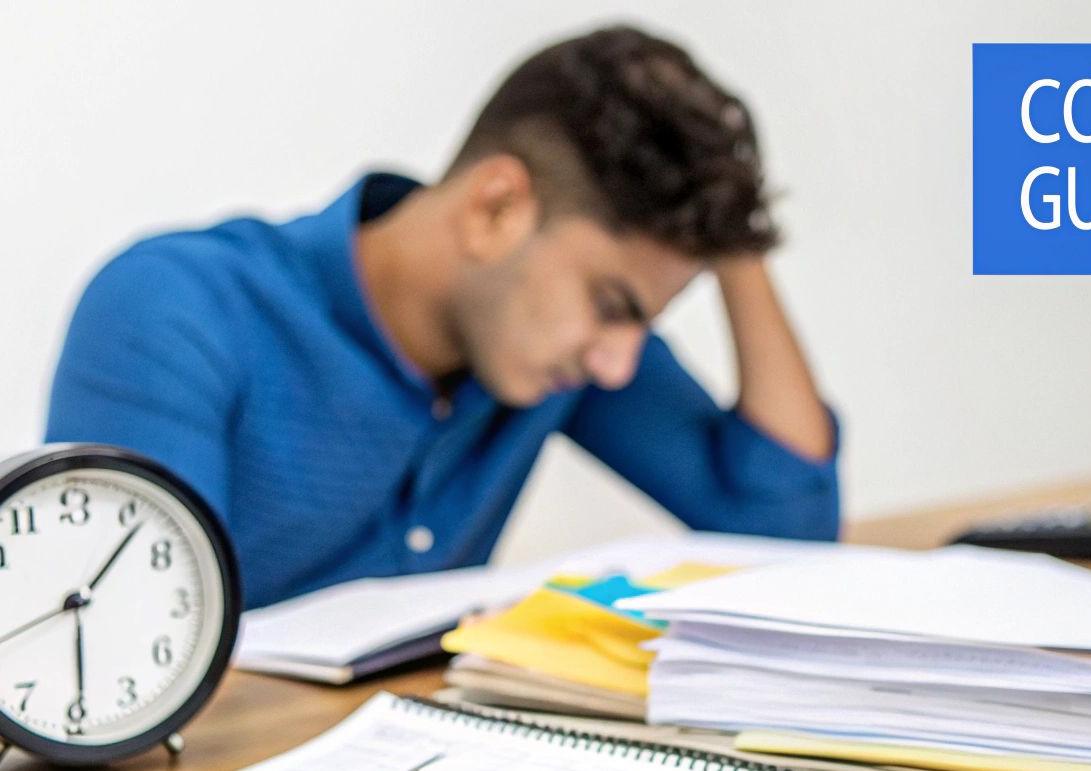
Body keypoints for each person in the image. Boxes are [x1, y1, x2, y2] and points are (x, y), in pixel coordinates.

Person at [46, 25, 838, 609]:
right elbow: (131, 638)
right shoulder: (176, 310)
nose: (619, 365)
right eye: (613, 305)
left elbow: (786, 530)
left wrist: (732, 232)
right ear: (497, 208)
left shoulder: (563, 356)